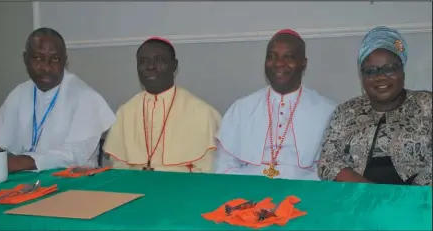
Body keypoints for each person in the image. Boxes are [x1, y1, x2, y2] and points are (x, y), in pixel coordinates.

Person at [0, 27, 116, 173]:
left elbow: (76, 154)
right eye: (38, 58)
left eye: (55, 59)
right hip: (24, 181)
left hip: (72, 184)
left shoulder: (86, 97)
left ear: (65, 61)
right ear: (25, 58)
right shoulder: (20, 93)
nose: (46, 67)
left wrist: (26, 161)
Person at [213, 29, 336, 180]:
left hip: (303, 194)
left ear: (303, 63)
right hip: (249, 194)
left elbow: (329, 172)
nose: (278, 63)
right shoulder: (241, 109)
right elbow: (224, 165)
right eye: (271, 57)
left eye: (288, 57)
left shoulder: (327, 112)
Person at [317, 26, 432, 186]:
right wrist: (370, 192)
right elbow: (327, 161)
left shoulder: (427, 104)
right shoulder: (346, 111)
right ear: (362, 76)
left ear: (402, 72)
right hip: (358, 199)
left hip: (417, 201)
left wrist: (406, 197)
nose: (380, 77)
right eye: (371, 71)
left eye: (389, 69)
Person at [103, 37, 221, 173]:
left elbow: (207, 170)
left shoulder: (201, 112)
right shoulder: (126, 112)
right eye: (142, 61)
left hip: (183, 187)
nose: (150, 66)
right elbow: (119, 166)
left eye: (159, 60)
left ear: (174, 65)